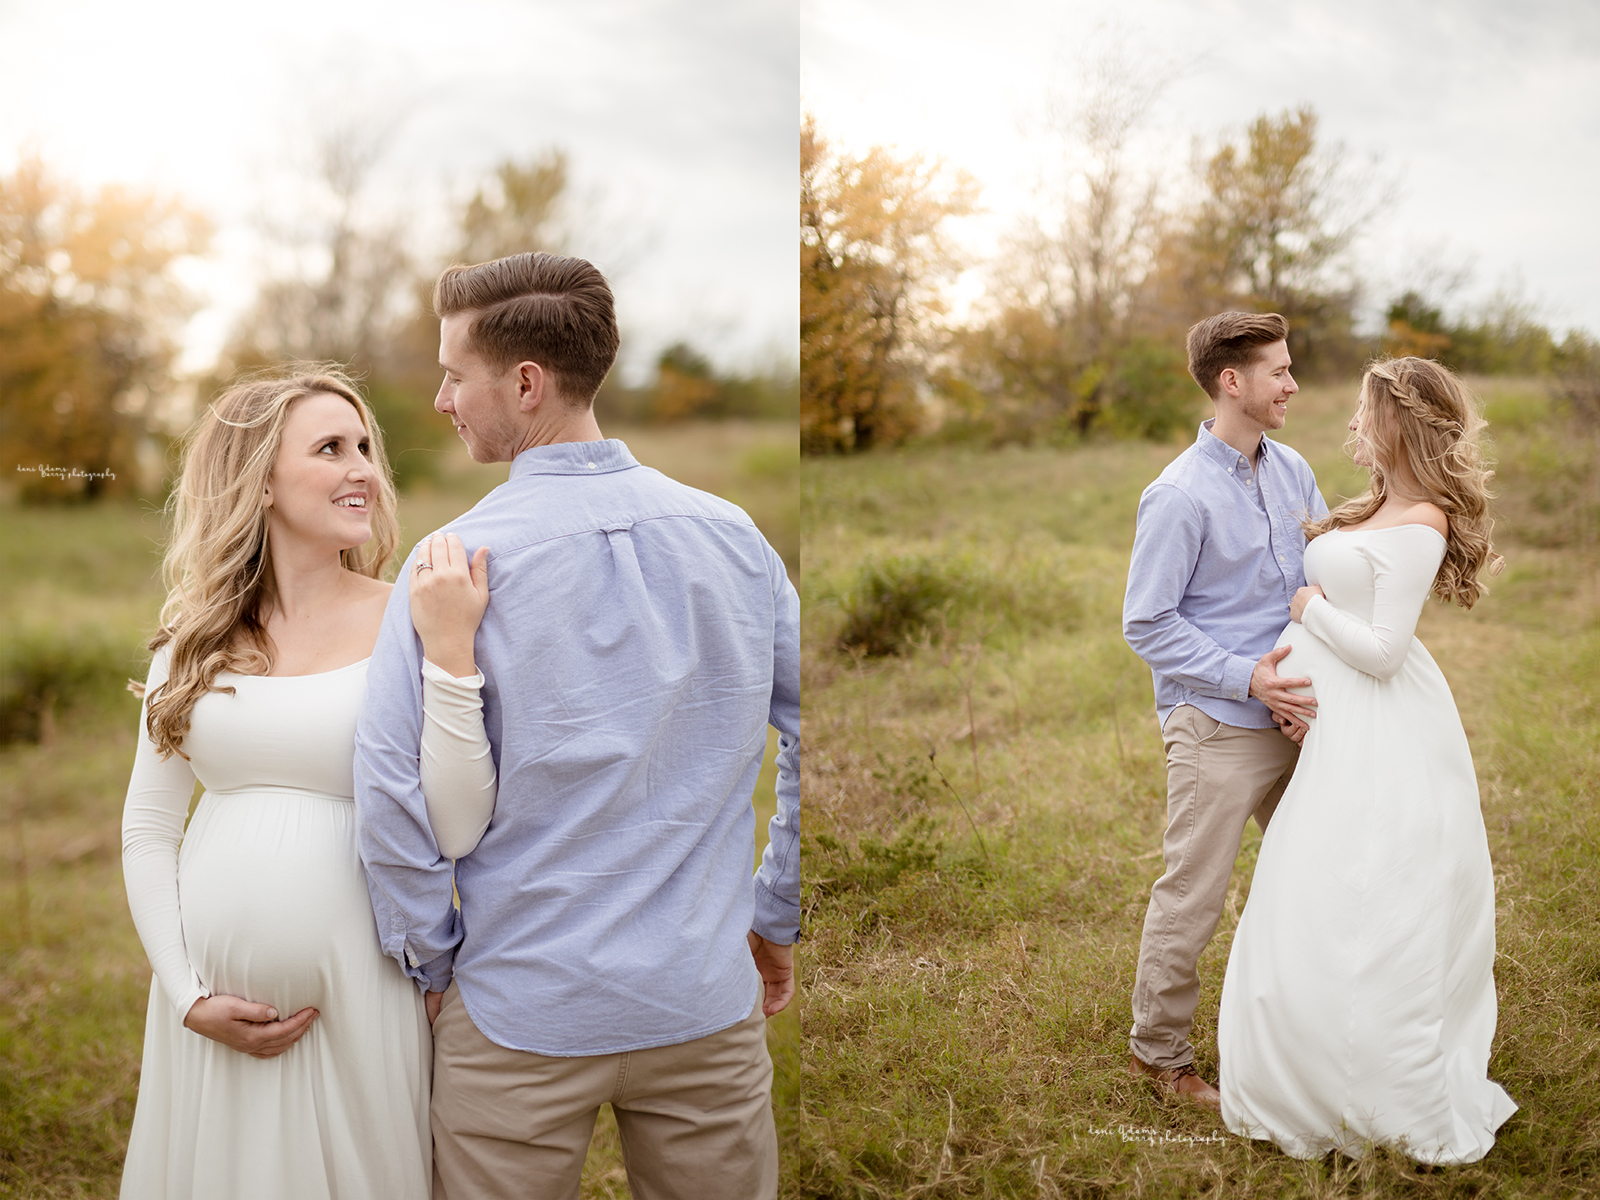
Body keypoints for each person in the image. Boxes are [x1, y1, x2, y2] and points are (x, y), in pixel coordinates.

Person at [353, 251, 801, 1200]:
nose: (440, 400)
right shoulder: (736, 539)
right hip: (702, 995)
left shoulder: (449, 566)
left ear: (525, 383)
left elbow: (392, 797)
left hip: (519, 1008)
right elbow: (814, 740)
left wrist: (432, 964)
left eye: (451, 374)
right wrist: (773, 910)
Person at [119, 370, 491, 1200]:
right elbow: (148, 828)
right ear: (257, 483)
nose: (362, 468)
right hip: (205, 1015)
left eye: (365, 448)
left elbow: (458, 824)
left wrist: (453, 657)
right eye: (331, 448)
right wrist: (185, 994)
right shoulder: (193, 639)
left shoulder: (408, 617)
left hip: (363, 994)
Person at [1217, 357, 1517, 1163]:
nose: (1351, 417)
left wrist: (1308, 607)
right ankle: (1300, 1069)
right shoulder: (1375, 503)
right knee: (1311, 881)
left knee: (1369, 887)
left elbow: (1385, 651)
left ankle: (1376, 1076)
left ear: (1400, 421)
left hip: (1384, 726)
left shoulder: (1422, 520)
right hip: (1333, 724)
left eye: (1364, 407)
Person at [1121, 311, 1327, 1109]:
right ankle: (1158, 1057)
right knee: (1194, 892)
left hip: (1297, 717)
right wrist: (1249, 680)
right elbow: (1147, 622)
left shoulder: (1296, 469)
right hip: (1216, 726)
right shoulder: (1176, 495)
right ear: (1231, 382)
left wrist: (1301, 684)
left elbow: (1308, 586)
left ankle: (1306, 1026)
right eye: (1277, 370)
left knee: (1315, 873)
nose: (1292, 383)